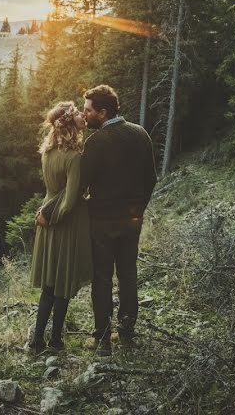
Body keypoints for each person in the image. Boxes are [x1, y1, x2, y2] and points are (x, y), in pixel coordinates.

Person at [80, 85, 157, 356]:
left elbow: (81, 185)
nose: (84, 115)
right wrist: (138, 210)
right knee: (128, 274)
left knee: (102, 278)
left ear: (102, 112)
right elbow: (151, 179)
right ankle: (126, 330)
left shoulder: (96, 142)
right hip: (132, 221)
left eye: (88, 110)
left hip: (101, 222)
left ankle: (102, 339)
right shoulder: (140, 134)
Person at [27, 101, 93, 353]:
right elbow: (71, 199)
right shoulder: (74, 157)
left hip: (48, 219)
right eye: (77, 112)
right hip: (64, 222)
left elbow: (55, 191)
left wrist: (45, 214)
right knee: (62, 284)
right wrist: (53, 216)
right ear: (68, 122)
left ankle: (36, 342)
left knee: (49, 285)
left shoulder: (47, 151)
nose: (81, 115)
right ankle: (55, 341)